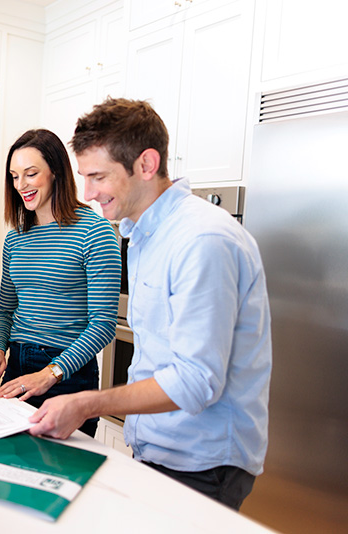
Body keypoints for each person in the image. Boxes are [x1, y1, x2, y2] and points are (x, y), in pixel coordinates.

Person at [28, 98, 272, 510]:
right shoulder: (143, 234)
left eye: (98, 177)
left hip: (203, 462)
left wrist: (88, 402)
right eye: (85, 178)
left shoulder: (202, 240)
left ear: (146, 164)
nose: (88, 194)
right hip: (159, 449)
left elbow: (196, 380)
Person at [0, 129, 120, 438]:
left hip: (68, 374)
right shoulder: (15, 238)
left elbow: (103, 325)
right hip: (17, 367)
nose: (20, 185)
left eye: (31, 174)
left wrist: (50, 373)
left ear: (55, 172)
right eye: (14, 176)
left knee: (60, 465)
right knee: (6, 458)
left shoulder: (95, 232)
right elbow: (5, 309)